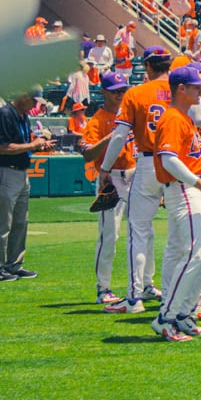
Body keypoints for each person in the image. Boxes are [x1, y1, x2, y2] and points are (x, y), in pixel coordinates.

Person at [149, 66, 201, 342]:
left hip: (195, 184)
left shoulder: (185, 118)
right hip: (185, 189)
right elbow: (168, 160)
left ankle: (184, 313)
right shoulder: (173, 118)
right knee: (195, 254)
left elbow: (188, 157)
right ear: (180, 89)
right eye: (196, 86)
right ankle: (166, 317)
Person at [101, 46, 174, 313]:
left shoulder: (136, 93)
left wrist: (104, 168)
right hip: (178, 164)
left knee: (138, 230)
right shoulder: (182, 89)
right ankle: (185, 298)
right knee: (183, 234)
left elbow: (120, 136)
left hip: (147, 163)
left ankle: (134, 298)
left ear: (148, 67)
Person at [0, 87, 54, 281]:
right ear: (23, 97)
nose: (35, 105)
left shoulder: (21, 115)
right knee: (3, 223)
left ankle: (14, 265)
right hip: (5, 172)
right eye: (34, 101)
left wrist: (39, 146)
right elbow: (4, 148)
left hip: (20, 172)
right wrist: (33, 145)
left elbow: (21, 146)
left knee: (20, 222)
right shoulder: (5, 114)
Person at [81, 73, 132, 303]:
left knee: (143, 233)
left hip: (134, 176)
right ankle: (103, 288)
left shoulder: (131, 115)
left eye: (123, 90)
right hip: (109, 179)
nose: (120, 95)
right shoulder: (98, 120)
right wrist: (113, 136)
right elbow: (87, 153)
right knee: (109, 235)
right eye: (115, 91)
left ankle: (146, 283)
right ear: (104, 92)